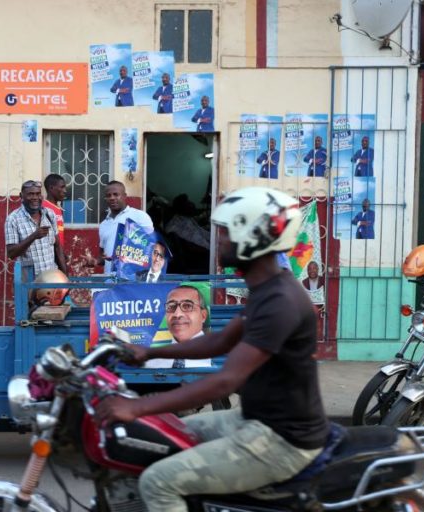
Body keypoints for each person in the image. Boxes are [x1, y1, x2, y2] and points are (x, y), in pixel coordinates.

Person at [96, 187, 328, 512]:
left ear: (255, 239)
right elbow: (217, 341)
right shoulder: (265, 290)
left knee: (158, 482)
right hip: (253, 419)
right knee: (160, 438)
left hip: (281, 440)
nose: (219, 241)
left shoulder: (280, 301)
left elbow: (225, 381)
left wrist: (135, 408)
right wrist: (147, 353)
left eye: (230, 234)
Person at [5, 179, 66, 278]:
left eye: (38, 194)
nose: (35, 198)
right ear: (21, 196)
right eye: (30, 194)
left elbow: (58, 247)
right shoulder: (13, 219)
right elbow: (11, 253)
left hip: (51, 279)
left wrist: (65, 278)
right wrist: (33, 236)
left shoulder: (49, 214)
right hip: (29, 281)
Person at [91, 181, 154, 274]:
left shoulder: (139, 217)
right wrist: (96, 261)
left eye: (116, 194)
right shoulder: (104, 224)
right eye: (108, 195)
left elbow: (151, 246)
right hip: (110, 280)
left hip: (134, 279)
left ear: (124, 196)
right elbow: (103, 256)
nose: (112, 198)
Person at [145, 285, 211, 369]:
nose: (177, 314)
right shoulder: (151, 364)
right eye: (171, 307)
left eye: (187, 306)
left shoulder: (220, 358)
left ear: (203, 315)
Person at [42, 174, 68, 272]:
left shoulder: (57, 208)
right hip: (50, 259)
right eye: (62, 187)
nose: (65, 191)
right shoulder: (44, 208)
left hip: (58, 257)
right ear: (51, 188)